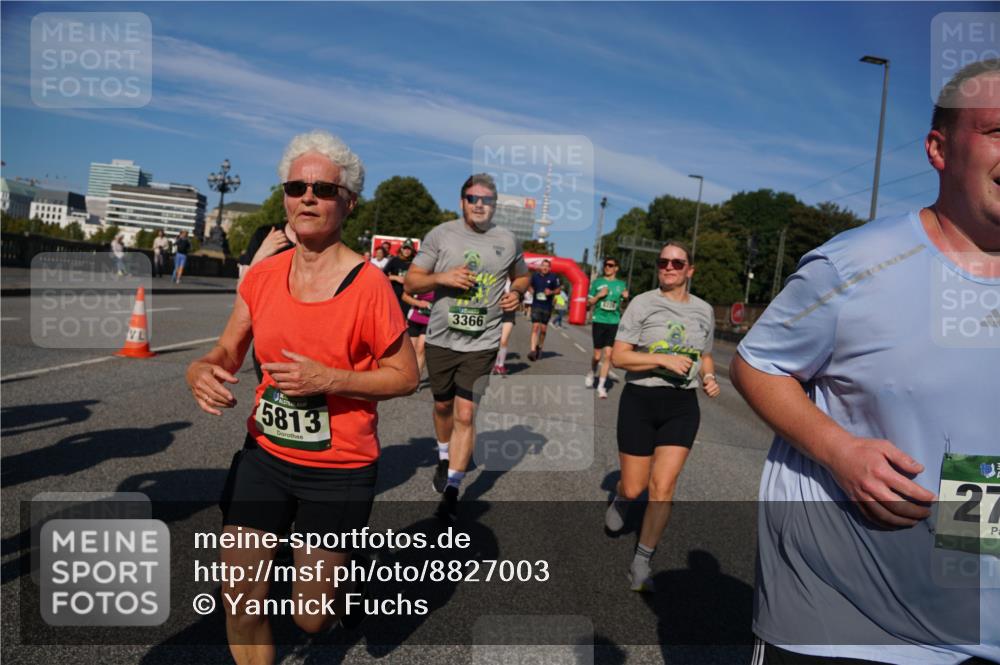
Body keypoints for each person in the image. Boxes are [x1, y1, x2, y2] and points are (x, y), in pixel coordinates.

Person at [731, 60, 1000, 665]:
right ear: (939, 148)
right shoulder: (853, 266)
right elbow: (755, 365)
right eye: (998, 132)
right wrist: (839, 451)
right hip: (838, 617)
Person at [185, 130, 418, 665]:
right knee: (240, 598)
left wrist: (330, 380)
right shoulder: (263, 276)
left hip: (338, 467)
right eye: (297, 186)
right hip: (265, 456)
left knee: (312, 616)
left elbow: (405, 375)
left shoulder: (369, 286)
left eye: (323, 189)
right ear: (286, 197)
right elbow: (227, 348)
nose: (308, 197)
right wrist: (199, 370)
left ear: (348, 202)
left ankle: (332, 580)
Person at [405, 173, 530, 521]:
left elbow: (522, 275)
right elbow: (412, 282)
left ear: (494, 205)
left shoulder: (507, 239)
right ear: (462, 202)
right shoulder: (441, 235)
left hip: (483, 340)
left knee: (465, 413)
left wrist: (517, 292)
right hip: (443, 337)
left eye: (487, 200)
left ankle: (453, 489)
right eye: (473, 198)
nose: (479, 204)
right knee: (443, 406)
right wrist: (441, 278)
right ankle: (444, 455)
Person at [605, 241, 720, 592]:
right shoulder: (642, 303)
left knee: (663, 488)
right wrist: (662, 360)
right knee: (636, 486)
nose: (668, 267)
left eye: (676, 262)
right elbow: (619, 358)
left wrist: (709, 376)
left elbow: (706, 355)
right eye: (663, 262)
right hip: (640, 400)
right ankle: (624, 497)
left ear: (690, 270)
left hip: (682, 406)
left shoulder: (704, 310)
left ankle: (641, 562)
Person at [587, 257, 629, 399]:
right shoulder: (597, 282)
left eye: (610, 265)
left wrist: (626, 298)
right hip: (599, 320)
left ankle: (601, 386)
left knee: (609, 355)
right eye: (605, 265)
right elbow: (588, 303)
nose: (607, 267)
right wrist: (599, 295)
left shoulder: (621, 284)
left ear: (616, 268)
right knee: (597, 356)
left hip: (614, 322)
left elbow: (623, 306)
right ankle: (592, 371)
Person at [526, 259, 561, 361]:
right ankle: (532, 351)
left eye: (547, 266)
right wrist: (531, 290)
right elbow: (529, 285)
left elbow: (558, 290)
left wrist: (551, 292)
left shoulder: (553, 277)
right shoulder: (535, 276)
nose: (545, 268)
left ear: (549, 268)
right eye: (543, 265)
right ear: (540, 267)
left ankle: (539, 347)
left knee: (543, 330)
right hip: (536, 305)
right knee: (535, 327)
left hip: (547, 307)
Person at [401, 288, 435, 382]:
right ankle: (407, 376)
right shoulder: (420, 281)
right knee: (410, 350)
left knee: (420, 348)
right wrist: (419, 303)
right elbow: (404, 296)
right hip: (415, 318)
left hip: (431, 321)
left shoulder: (440, 281)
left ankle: (415, 380)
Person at [384, 239, 416, 315]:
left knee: (403, 318)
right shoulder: (394, 260)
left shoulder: (415, 262)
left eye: (409, 249)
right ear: (401, 249)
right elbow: (383, 276)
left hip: (408, 296)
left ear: (412, 251)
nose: (407, 251)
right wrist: (395, 277)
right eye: (405, 248)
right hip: (394, 294)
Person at [492, 279, 517, 377]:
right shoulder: (497, 277)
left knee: (503, 340)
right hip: (495, 312)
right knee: (495, 340)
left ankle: (500, 365)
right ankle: (494, 365)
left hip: (509, 313)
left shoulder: (516, 282)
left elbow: (520, 294)